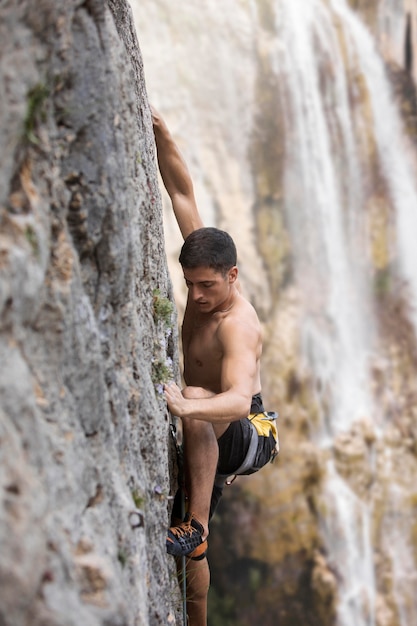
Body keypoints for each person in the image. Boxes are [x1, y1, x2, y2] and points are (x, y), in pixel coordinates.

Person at [151, 106, 278, 626]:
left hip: (252, 430)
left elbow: (237, 398)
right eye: (191, 286)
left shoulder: (237, 323)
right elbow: (181, 193)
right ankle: (196, 555)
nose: (198, 296)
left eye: (209, 286)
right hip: (211, 432)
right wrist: (159, 130)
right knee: (192, 572)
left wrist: (185, 402)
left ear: (232, 275)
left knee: (203, 401)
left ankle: (196, 524)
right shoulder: (204, 261)